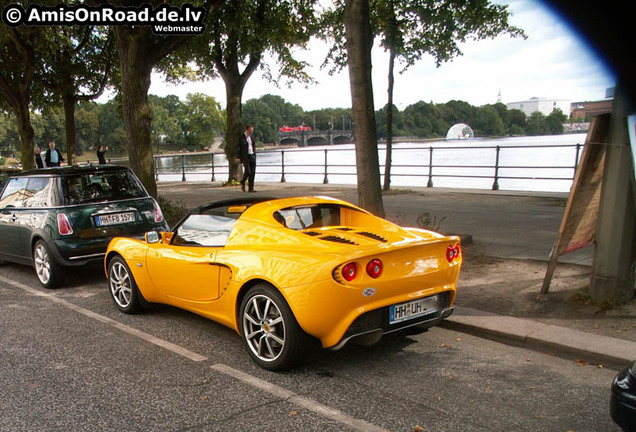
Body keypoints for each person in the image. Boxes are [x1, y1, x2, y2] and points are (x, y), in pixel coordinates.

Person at [236, 124, 257, 192]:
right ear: (247, 130)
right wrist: (238, 157)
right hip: (245, 156)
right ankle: (243, 181)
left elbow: (253, 145)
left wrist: (254, 153)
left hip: (252, 155)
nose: (251, 132)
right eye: (250, 131)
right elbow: (238, 148)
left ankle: (251, 188)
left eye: (252, 131)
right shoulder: (242, 137)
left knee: (253, 172)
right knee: (248, 171)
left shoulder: (251, 137)